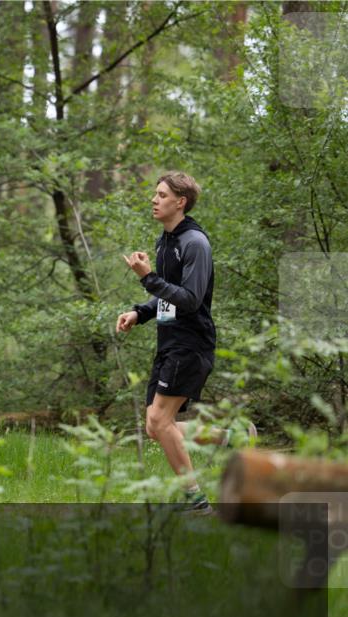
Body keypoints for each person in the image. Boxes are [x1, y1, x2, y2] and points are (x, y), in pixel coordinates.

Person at [117, 172, 241, 514]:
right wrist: (140, 313)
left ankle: (196, 501)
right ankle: (231, 438)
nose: (154, 200)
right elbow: (168, 297)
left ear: (180, 202)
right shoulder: (166, 241)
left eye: (161, 195)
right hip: (169, 341)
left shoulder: (195, 244)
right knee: (156, 427)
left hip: (191, 343)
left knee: (159, 422)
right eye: (155, 194)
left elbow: (189, 300)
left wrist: (147, 278)